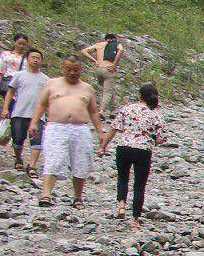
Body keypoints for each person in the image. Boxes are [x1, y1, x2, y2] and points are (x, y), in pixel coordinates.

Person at [30, 56, 104, 207]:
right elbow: (41, 105)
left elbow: (94, 111)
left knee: (80, 162)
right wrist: (34, 123)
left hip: (80, 128)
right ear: (62, 68)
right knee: (53, 159)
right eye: (68, 69)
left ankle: (77, 197)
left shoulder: (87, 88)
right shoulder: (51, 84)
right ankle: (45, 195)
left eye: (76, 70)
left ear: (80, 70)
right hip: (56, 127)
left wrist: (100, 131)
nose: (72, 73)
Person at [101, 82, 165, 230]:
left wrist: (103, 146)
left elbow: (114, 129)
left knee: (123, 177)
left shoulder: (127, 109)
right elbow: (160, 139)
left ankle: (121, 205)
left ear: (139, 96)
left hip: (124, 147)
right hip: (143, 150)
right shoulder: (156, 115)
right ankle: (135, 219)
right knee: (139, 185)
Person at [2, 49, 46, 172]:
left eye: (38, 58)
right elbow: (10, 92)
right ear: (27, 59)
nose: (36, 60)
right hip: (19, 112)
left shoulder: (46, 79)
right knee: (17, 140)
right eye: (33, 57)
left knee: (36, 142)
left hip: (38, 116)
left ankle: (32, 166)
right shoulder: (18, 75)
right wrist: (5, 108)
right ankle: (18, 158)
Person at [79, 34, 121, 105]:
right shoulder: (114, 45)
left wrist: (94, 60)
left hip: (98, 69)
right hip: (108, 69)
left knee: (109, 90)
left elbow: (83, 51)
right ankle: (102, 111)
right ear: (113, 39)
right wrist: (115, 65)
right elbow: (121, 50)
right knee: (107, 92)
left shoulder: (99, 45)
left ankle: (112, 111)